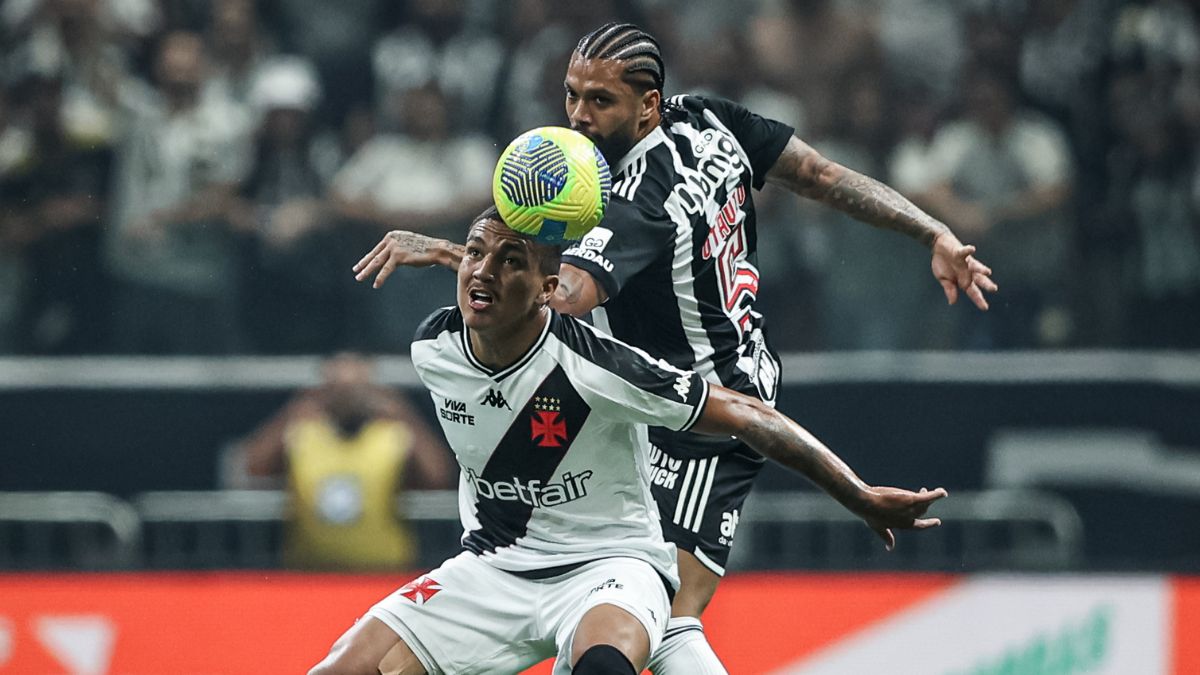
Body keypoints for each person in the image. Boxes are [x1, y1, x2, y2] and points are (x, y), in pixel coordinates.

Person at [352, 22, 993, 673]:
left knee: (658, 613)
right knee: (622, 602)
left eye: (600, 101)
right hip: (698, 388)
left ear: (648, 104)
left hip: (697, 418)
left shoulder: (630, 202)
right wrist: (931, 229)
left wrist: (454, 255)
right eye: (572, 95)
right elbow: (825, 176)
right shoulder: (713, 122)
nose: (578, 115)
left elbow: (556, 296)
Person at [312, 207, 946, 675]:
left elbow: (751, 416)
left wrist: (858, 493)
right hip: (492, 567)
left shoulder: (598, 365)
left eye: (509, 262)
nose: (482, 271)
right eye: (475, 253)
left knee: (604, 667)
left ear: (547, 289)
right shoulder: (434, 346)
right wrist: (470, 254)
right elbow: (499, 275)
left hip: (610, 565)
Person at [242, 352, 453, 571]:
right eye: (339, 389)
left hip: (383, 572)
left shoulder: (391, 436)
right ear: (325, 390)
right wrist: (291, 413)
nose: (348, 398)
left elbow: (438, 477)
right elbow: (253, 468)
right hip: (310, 574)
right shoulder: (303, 434)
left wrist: (404, 415)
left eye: (356, 389)